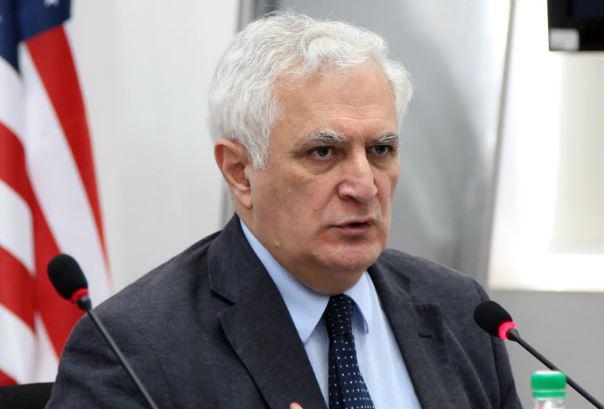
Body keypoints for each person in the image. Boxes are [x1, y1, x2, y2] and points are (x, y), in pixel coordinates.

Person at [46, 12, 522, 409]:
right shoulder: (134, 349)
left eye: (380, 149)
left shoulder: (462, 311)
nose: (363, 186)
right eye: (323, 152)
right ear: (239, 172)